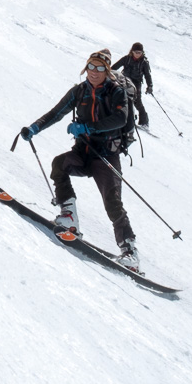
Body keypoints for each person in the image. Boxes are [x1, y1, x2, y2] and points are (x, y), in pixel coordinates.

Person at [19, 49, 139, 270]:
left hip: (105, 155)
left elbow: (121, 119)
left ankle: (130, 252)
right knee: (59, 164)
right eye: (91, 66)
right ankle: (69, 219)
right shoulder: (79, 91)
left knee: (112, 202)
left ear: (107, 70)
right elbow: (56, 113)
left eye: (100, 68)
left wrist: (88, 127)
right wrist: (34, 128)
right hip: (83, 152)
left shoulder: (116, 92)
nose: (94, 71)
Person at [112, 42, 154, 132]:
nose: (138, 54)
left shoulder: (144, 63)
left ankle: (144, 122)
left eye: (140, 52)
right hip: (125, 81)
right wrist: (109, 74)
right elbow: (115, 67)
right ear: (132, 51)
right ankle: (122, 117)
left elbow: (147, 75)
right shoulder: (126, 59)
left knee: (137, 102)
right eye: (136, 52)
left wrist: (150, 86)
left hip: (136, 83)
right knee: (122, 99)